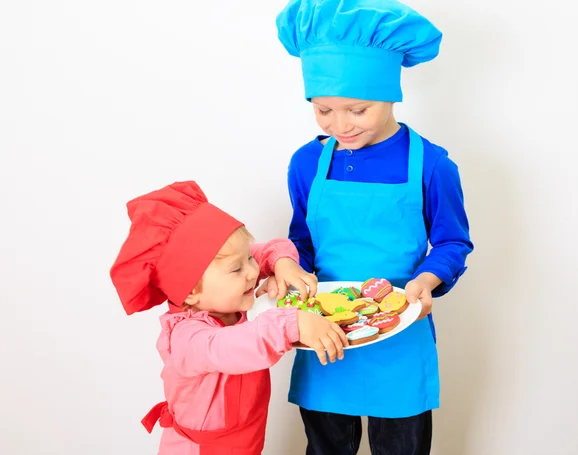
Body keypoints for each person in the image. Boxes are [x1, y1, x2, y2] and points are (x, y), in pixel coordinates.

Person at [275, 1, 474, 453]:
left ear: (391, 95)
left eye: (357, 110)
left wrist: (427, 279)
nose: (340, 125)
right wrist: (290, 270)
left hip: (400, 332)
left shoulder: (432, 164)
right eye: (323, 111)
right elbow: (301, 240)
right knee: (325, 446)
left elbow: (452, 241)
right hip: (325, 331)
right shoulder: (307, 162)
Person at [109, 180, 348, 455]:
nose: (251, 271)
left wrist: (282, 263)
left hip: (246, 442)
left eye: (248, 259)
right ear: (190, 291)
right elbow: (233, 345)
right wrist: (293, 323)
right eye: (237, 268)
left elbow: (267, 249)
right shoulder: (186, 338)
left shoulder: (223, 293)